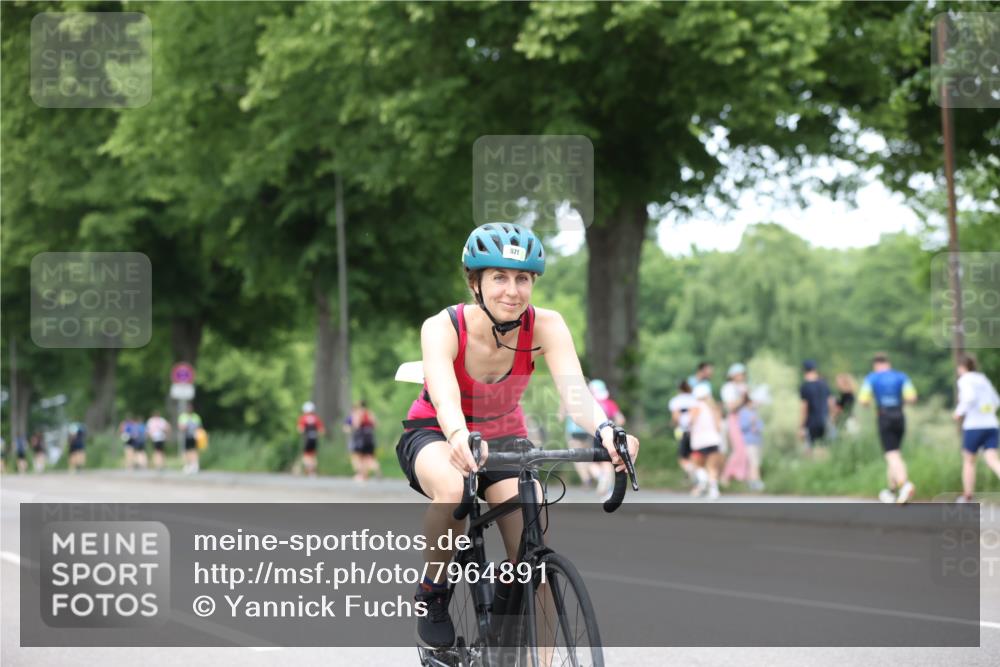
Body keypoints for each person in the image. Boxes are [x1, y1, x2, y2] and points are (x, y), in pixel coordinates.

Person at [395, 222, 639, 649]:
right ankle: (433, 592)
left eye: (522, 278)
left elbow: (575, 391)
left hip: (505, 438)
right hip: (437, 430)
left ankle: (517, 627)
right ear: (475, 282)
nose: (512, 290)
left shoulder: (546, 325)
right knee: (453, 489)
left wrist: (606, 430)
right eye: (499, 277)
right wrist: (457, 434)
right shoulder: (443, 326)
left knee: (533, 553)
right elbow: (445, 395)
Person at [858, 353, 917, 504]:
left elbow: (863, 400)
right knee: (895, 453)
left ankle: (904, 484)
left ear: (875, 365)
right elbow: (912, 398)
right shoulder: (901, 376)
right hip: (899, 415)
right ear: (888, 363)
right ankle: (891, 491)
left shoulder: (872, 377)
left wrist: (873, 402)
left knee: (891, 455)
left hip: (884, 416)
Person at [952, 354, 1000, 502]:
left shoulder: (965, 380)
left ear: (961, 367)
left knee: (969, 461)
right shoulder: (983, 379)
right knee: (992, 459)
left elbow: (969, 397)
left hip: (974, 426)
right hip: (991, 424)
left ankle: (967, 496)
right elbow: (996, 401)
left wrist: (959, 413)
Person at [588, 378, 626, 496]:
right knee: (608, 462)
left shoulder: (591, 404)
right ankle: (608, 489)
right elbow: (621, 420)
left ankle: (601, 478)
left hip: (596, 436)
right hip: (611, 436)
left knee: (592, 463)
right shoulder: (610, 404)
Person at [689, 383, 723, 499]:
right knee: (712, 467)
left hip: (699, 441)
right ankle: (714, 490)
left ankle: (703, 481)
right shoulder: (714, 407)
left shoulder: (696, 406)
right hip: (714, 440)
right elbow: (719, 427)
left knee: (698, 465)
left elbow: (690, 422)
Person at [720, 363, 749, 485]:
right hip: (734, 419)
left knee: (744, 450)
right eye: (740, 374)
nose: (742, 376)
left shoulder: (743, 386)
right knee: (739, 450)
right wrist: (743, 398)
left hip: (744, 419)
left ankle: (739, 476)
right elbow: (731, 407)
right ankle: (726, 476)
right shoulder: (728, 388)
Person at [799, 360, 833, 452]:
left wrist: (801, 426)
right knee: (824, 447)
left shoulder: (805, 387)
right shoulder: (824, 384)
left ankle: (811, 465)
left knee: (809, 449)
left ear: (805, 371)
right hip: (824, 420)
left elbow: (804, 408)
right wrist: (831, 418)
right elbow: (830, 403)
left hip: (811, 422)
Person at [668, 380, 697, 484]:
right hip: (695, 431)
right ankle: (693, 473)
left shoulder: (675, 401)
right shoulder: (694, 400)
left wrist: (673, 423)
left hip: (682, 431)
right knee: (694, 454)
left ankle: (692, 472)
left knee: (682, 456)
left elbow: (676, 417)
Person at [737, 394, 765, 491]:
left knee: (757, 461)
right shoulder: (743, 413)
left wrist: (756, 427)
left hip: (757, 440)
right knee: (754, 461)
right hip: (749, 441)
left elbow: (761, 425)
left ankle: (752, 481)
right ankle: (755, 481)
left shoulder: (755, 412)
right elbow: (742, 427)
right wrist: (750, 422)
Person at [347, 401, 380, 482]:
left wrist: (352, 428)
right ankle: (377, 470)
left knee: (360, 457)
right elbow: (376, 424)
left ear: (360, 406)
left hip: (361, 438)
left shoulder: (359, 413)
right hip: (370, 437)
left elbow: (356, 425)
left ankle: (362, 476)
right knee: (370, 457)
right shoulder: (370, 413)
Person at [297, 401, 327, 477]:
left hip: (307, 439)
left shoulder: (303, 418)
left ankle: (308, 469)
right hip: (314, 439)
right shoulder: (316, 418)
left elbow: (300, 429)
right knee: (313, 455)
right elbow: (322, 430)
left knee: (306, 455)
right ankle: (313, 471)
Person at [178, 404, 203, 474]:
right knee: (186, 451)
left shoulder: (196, 417)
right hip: (186, 436)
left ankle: (194, 465)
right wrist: (185, 426)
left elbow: (200, 427)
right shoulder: (183, 416)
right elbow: (180, 427)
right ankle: (187, 465)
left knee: (194, 450)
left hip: (195, 436)